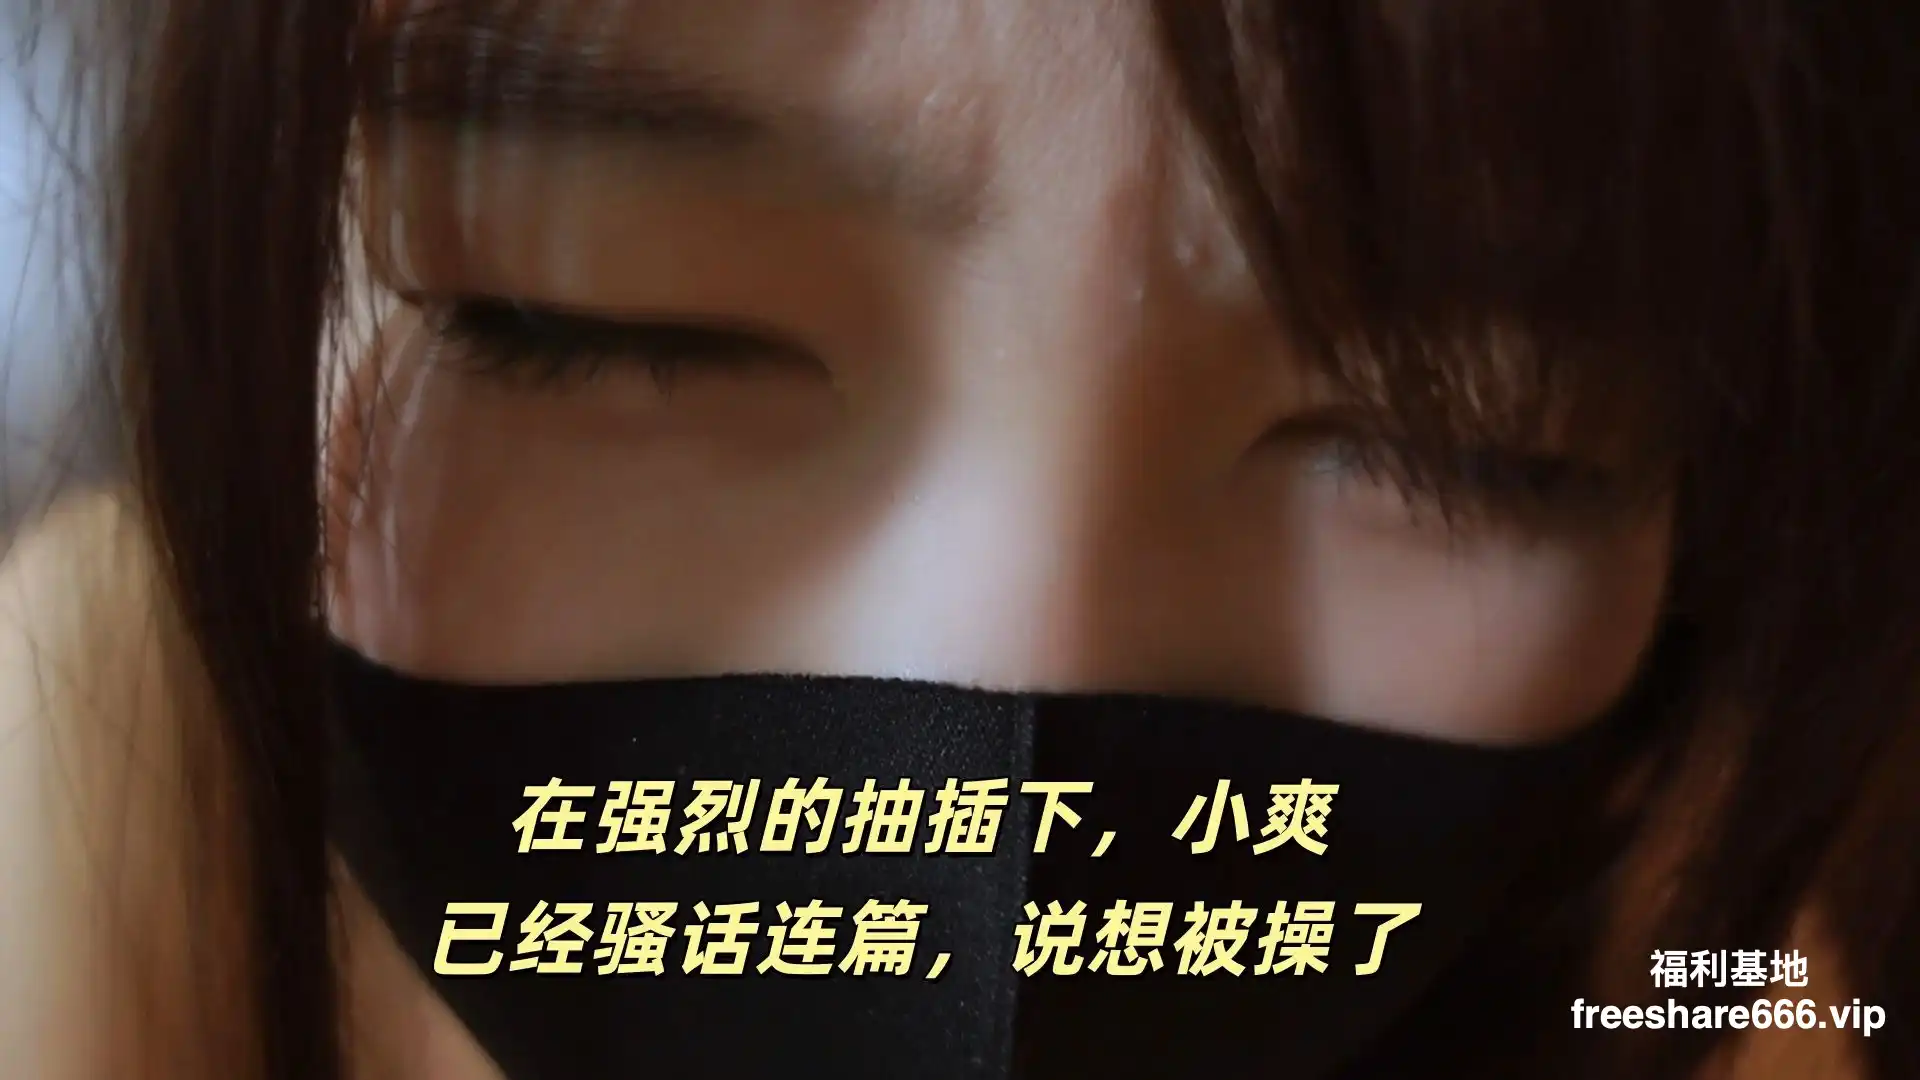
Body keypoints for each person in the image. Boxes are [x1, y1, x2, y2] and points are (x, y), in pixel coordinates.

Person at [2, 0, 1917, 1077]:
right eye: (587, 315)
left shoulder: (1699, 979)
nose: (988, 721)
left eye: (1469, 441)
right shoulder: (103, 781)